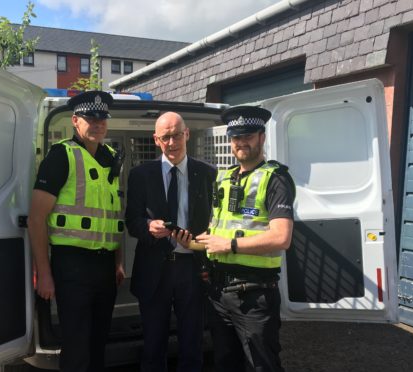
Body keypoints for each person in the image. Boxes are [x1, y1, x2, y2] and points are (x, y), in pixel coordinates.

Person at [177, 106, 295, 372]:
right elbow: (217, 234)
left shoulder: (276, 179)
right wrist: (191, 243)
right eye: (235, 137)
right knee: (225, 363)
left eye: (248, 135)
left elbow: (282, 237)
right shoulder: (224, 177)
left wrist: (229, 245)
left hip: (254, 295)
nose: (241, 142)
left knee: (262, 365)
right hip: (219, 293)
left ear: (261, 137)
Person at [27, 90, 126, 372]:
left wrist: (118, 262)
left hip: (105, 267)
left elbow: (112, 215)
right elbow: (36, 219)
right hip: (72, 266)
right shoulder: (62, 156)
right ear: (75, 121)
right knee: (76, 346)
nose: (97, 124)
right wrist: (44, 274)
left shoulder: (110, 158)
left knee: (98, 343)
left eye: (102, 118)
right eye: (90, 118)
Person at [125, 112, 216, 372]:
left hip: (193, 269)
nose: (172, 142)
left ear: (186, 134)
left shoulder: (207, 174)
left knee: (192, 343)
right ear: (156, 140)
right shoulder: (140, 175)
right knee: (153, 346)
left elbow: (217, 220)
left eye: (176, 135)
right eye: (165, 137)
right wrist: (147, 226)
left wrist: (203, 238)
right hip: (154, 270)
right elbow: (131, 220)